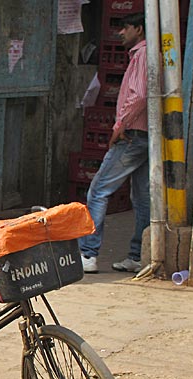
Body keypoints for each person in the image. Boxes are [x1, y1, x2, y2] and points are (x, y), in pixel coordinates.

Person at [79, 12, 149, 274]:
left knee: (98, 191)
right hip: (143, 136)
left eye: (125, 28)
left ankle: (88, 253)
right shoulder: (142, 55)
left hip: (133, 135)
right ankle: (138, 255)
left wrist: (119, 126)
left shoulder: (142, 55)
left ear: (139, 30)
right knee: (141, 198)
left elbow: (139, 95)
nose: (120, 33)